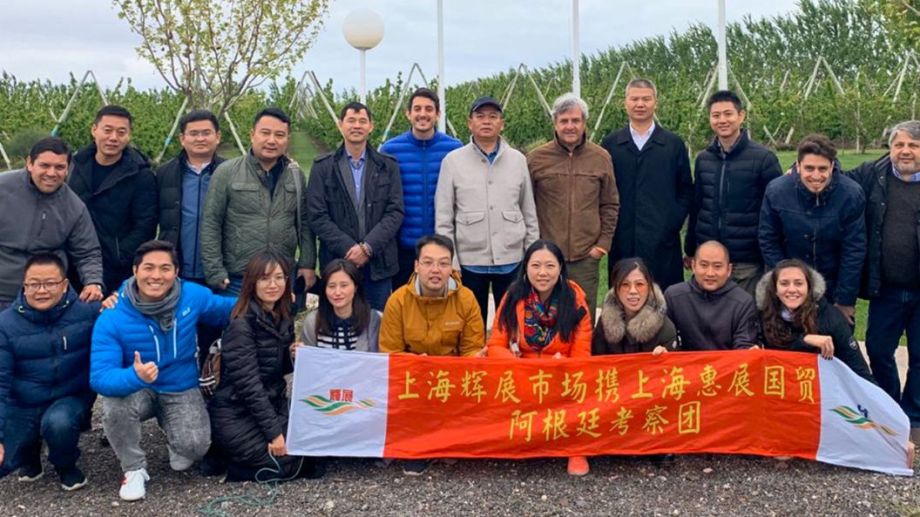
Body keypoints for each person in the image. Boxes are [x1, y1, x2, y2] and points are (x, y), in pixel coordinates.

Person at [90, 240, 236, 501]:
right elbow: (100, 377)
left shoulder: (192, 295)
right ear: (135, 270)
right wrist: (134, 376)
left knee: (194, 449)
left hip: (180, 386)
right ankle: (133, 469)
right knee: (114, 406)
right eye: (148, 268)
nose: (156, 276)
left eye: (165, 268)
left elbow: (229, 309)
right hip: (137, 387)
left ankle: (171, 430)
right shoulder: (112, 315)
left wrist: (271, 297)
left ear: (176, 272)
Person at [208, 251, 324, 482]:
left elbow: (278, 370)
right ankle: (228, 463)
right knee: (291, 463)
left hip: (272, 403)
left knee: (316, 447)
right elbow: (249, 387)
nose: (273, 285)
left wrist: (292, 354)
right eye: (264, 278)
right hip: (236, 412)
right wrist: (275, 435)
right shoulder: (241, 324)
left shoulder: (282, 316)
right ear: (252, 282)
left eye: (279, 278)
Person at [379, 234, 484, 476]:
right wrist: (417, 366)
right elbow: (390, 353)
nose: (435, 270)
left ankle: (449, 440)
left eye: (443, 263)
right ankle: (420, 447)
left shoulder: (466, 299)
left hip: (452, 377)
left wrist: (454, 369)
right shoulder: (398, 301)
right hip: (414, 377)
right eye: (428, 263)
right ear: (416, 265)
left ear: (451, 267)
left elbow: (472, 349)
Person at [487, 239, 593, 476]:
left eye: (550, 266)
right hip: (521, 373)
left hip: (561, 374)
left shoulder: (575, 301)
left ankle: (576, 448)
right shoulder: (513, 297)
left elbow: (581, 354)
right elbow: (495, 345)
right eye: (535, 265)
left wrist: (562, 367)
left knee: (585, 388)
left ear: (560, 268)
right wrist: (518, 365)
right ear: (525, 268)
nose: (542, 273)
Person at [435, 96, 539, 327]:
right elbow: (444, 218)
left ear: (502, 124)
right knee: (471, 326)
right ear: (469, 123)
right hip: (470, 261)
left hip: (512, 259)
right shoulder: (453, 161)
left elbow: (529, 212)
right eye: (480, 116)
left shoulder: (518, 160)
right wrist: (451, 261)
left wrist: (531, 256)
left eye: (493, 117)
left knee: (512, 324)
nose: (486, 121)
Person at [0, 254, 101, 490]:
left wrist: (116, 301)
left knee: (58, 424)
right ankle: (29, 454)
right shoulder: (5, 324)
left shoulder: (88, 311)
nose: (42, 290)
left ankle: (65, 464)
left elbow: (123, 315)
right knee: (4, 462)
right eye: (34, 284)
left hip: (70, 396)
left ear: (65, 285)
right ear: (24, 285)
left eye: (50, 283)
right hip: (24, 402)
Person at [847, 120, 920, 439]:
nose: (905, 151)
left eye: (913, 146)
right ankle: (891, 409)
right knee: (878, 350)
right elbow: (834, 176)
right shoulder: (871, 174)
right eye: (899, 144)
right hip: (885, 287)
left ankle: (914, 416)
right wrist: (798, 169)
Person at [201, 107, 316, 296]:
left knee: (280, 317)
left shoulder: (295, 176)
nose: (271, 140)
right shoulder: (227, 172)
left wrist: (307, 263)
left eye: (279, 135)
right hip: (238, 279)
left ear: (287, 140)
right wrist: (214, 270)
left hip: (281, 277)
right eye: (265, 133)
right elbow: (211, 223)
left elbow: (304, 224)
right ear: (252, 135)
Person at [528, 93, 619, 319]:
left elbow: (610, 203)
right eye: (564, 121)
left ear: (584, 123)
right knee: (544, 315)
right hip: (546, 255)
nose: (570, 126)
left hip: (585, 257)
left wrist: (602, 246)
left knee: (582, 316)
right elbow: (526, 204)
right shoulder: (536, 159)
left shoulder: (601, 157)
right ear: (555, 123)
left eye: (575, 120)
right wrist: (534, 245)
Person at [306, 102, 404, 311]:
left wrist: (368, 248)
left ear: (371, 126)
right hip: (337, 263)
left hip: (378, 264)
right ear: (340, 125)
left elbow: (395, 212)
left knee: (377, 322)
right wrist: (348, 248)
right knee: (335, 324)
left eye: (362, 121)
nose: (356, 126)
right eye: (351, 120)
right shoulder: (323, 167)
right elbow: (317, 215)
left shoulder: (387, 166)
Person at [759, 134, 866, 325]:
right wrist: (787, 282)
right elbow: (768, 239)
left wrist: (845, 300)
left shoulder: (851, 194)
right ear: (798, 166)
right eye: (809, 168)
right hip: (789, 285)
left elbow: (854, 250)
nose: (816, 176)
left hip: (833, 284)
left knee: (835, 339)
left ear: (832, 166)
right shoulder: (776, 191)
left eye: (822, 169)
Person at [685, 90, 782, 296]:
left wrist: (772, 256)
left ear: (741, 116)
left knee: (745, 311)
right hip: (710, 259)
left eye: (728, 114)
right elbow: (698, 205)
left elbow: (776, 211)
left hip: (746, 260)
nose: (722, 120)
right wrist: (691, 249)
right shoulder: (703, 159)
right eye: (716, 115)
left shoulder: (763, 159)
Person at [601, 78, 693, 290]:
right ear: (625, 103)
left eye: (646, 99)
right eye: (634, 99)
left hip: (662, 239)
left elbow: (686, 189)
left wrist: (672, 221)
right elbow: (603, 190)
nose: (640, 104)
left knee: (664, 295)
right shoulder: (611, 144)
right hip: (623, 238)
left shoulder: (672, 144)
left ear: (655, 102)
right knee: (624, 293)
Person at [0, 137, 103, 308]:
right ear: (29, 163)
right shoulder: (3, 188)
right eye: (44, 165)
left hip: (49, 296)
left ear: (68, 169)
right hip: (4, 291)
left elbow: (87, 252)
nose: (51, 173)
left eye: (59, 167)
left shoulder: (74, 207)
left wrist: (93, 282)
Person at [69, 105, 158, 293]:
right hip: (72, 262)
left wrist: (120, 255)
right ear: (94, 130)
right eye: (107, 130)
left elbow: (145, 225)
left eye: (121, 132)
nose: (113, 138)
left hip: (116, 269)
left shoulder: (141, 175)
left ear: (129, 136)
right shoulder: (73, 166)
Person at [380, 87, 463, 288]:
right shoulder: (390, 150)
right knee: (405, 301)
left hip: (442, 247)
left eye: (428, 109)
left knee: (443, 302)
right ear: (408, 114)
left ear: (438, 114)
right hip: (404, 247)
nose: (423, 114)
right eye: (417, 109)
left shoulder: (454, 149)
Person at [756, 259, 874, 382]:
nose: (791, 289)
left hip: (823, 384)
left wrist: (876, 393)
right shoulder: (764, 315)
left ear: (809, 287)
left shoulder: (831, 318)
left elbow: (858, 368)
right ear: (775, 289)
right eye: (784, 284)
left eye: (798, 283)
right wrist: (805, 340)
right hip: (781, 382)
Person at [156, 109, 225, 286]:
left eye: (206, 133)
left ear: (217, 136)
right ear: (182, 138)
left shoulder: (230, 172)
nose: (200, 139)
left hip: (220, 269)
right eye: (193, 134)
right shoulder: (164, 173)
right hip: (175, 267)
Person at [664, 240, 759, 350]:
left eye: (717, 266)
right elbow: (667, 340)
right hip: (686, 360)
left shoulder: (743, 302)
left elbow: (743, 346)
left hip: (727, 361)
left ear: (729, 270)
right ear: (693, 266)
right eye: (704, 265)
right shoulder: (674, 296)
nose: (710, 273)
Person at [592, 257, 679, 355]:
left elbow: (676, 363)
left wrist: (666, 356)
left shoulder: (665, 328)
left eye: (639, 284)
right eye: (625, 284)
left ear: (649, 287)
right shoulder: (604, 323)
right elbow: (596, 360)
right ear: (616, 290)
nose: (633, 291)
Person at [300, 259, 382, 352]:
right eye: (332, 286)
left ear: (355, 287)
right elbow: (308, 358)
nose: (337, 292)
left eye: (344, 285)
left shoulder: (374, 319)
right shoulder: (313, 321)